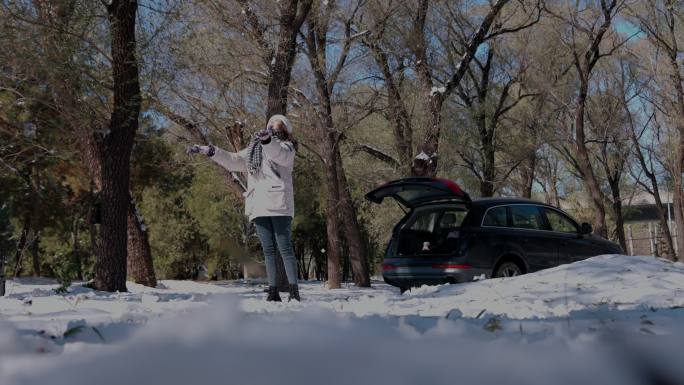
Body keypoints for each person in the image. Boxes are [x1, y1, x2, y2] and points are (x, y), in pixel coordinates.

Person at [188, 115, 300, 302]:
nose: (273, 126)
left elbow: (278, 155)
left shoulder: (287, 147)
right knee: (268, 251)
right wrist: (210, 150)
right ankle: (273, 291)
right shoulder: (254, 149)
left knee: (285, 249)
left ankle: (294, 291)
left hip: (279, 204)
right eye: (270, 124)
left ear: (285, 130)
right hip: (259, 204)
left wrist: (267, 140)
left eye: (277, 125)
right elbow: (233, 160)